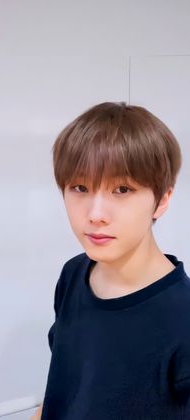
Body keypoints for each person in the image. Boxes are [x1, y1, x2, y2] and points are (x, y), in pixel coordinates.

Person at [31, 102, 190, 419]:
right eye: (80, 187)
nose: (95, 215)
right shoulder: (74, 273)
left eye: (122, 189)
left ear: (163, 200)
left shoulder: (182, 318)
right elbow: (65, 388)